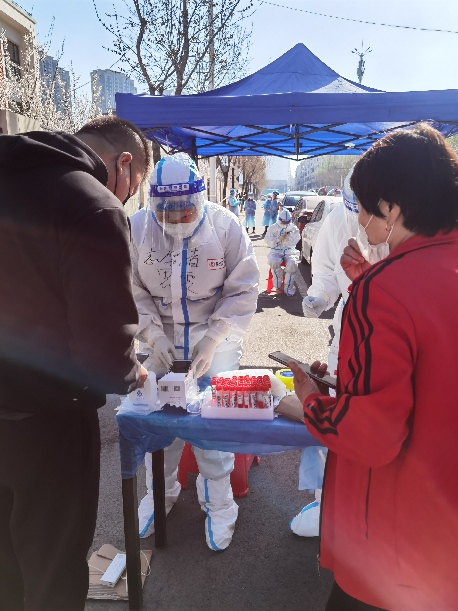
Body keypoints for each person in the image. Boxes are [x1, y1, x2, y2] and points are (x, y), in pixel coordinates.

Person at [290, 123, 458, 611]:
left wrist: (313, 401)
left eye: (364, 208)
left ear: (391, 208)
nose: (360, 220)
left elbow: (373, 436)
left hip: (396, 544)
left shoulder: (382, 291)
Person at [0, 116, 150, 611]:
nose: (127, 197)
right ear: (123, 165)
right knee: (52, 572)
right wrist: (132, 371)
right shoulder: (91, 204)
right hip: (47, 425)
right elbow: (105, 351)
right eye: (134, 188)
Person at [130, 153, 259, 550]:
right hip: (161, 342)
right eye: (166, 211)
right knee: (157, 422)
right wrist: (153, 335)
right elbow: (131, 289)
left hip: (214, 340)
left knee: (212, 425)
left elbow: (244, 287)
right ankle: (160, 491)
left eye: (185, 210)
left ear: (199, 199)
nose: (176, 219)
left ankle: (220, 502)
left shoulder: (225, 225)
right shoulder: (137, 229)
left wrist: (215, 336)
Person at [290, 170, 359, 537]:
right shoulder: (338, 219)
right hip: (351, 322)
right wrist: (319, 295)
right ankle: (329, 500)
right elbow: (328, 272)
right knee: (339, 403)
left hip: (390, 323)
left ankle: (358, 506)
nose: (362, 223)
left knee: (367, 416)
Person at [264, 209, 300, 296]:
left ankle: (288, 288)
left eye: (287, 222)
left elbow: (296, 240)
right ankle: (277, 285)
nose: (285, 224)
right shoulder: (272, 228)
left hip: (289, 251)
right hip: (276, 250)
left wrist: (288, 240)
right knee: (274, 261)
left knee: (292, 263)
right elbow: (267, 240)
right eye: (284, 222)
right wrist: (277, 240)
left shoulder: (293, 228)